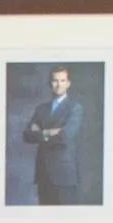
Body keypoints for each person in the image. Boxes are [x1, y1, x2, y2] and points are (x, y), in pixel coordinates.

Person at [22, 65, 83, 205]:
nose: (58, 85)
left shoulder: (75, 108)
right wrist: (48, 132)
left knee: (64, 221)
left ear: (68, 84)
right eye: (55, 81)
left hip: (64, 176)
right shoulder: (41, 109)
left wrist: (40, 132)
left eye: (62, 81)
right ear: (50, 83)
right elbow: (27, 135)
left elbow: (65, 136)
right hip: (43, 174)